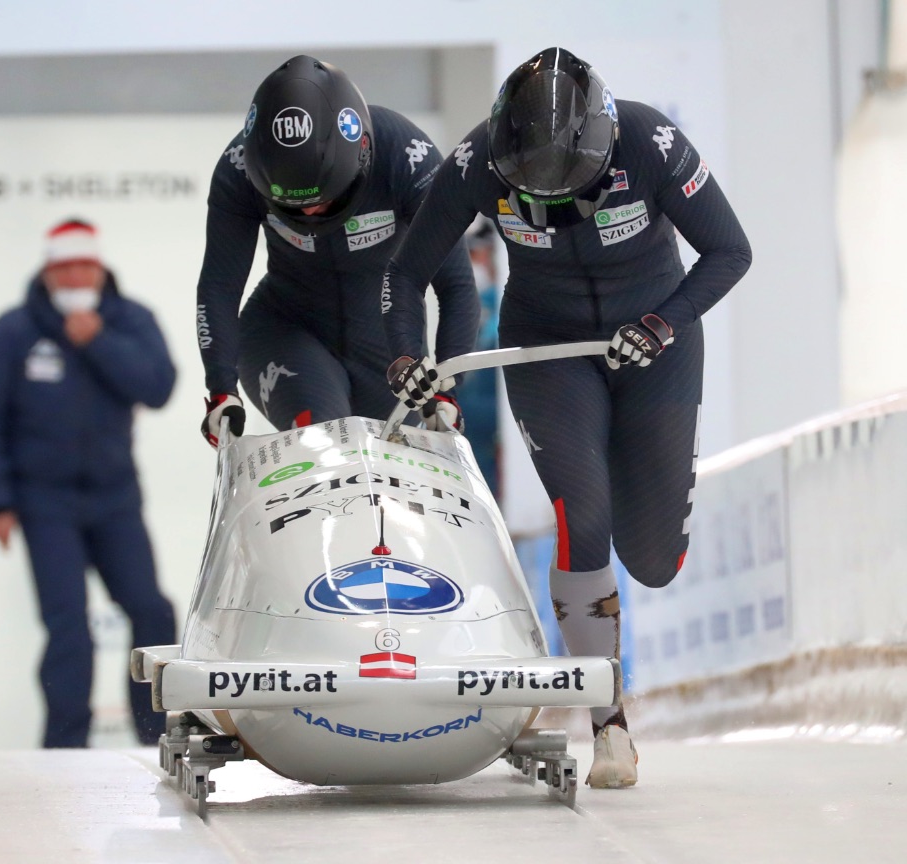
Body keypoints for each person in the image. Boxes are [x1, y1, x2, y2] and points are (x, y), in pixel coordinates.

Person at [381, 47, 752, 787]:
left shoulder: (650, 144)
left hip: (654, 342)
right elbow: (404, 271)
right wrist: (403, 357)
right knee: (582, 516)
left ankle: (640, 502)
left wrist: (665, 323)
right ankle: (608, 722)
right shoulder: (476, 163)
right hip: (547, 344)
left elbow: (729, 251)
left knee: (651, 560)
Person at [0, 218, 178, 748]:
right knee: (69, 628)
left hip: (115, 499)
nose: (75, 274)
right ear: (48, 271)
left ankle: (156, 737)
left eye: (84, 265)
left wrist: (99, 341)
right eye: (64, 267)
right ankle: (63, 749)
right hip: (44, 503)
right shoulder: (15, 330)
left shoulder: (128, 320)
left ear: (100, 268)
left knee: (151, 609)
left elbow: (158, 386)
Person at [195, 54, 479, 446]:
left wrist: (448, 390)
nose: (310, 212)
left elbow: (457, 285)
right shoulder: (238, 167)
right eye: (293, 206)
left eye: (323, 199)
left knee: (388, 484)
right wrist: (221, 387)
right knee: (325, 443)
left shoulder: (406, 156)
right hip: (284, 330)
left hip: (389, 349)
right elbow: (220, 285)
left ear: (360, 157)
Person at [455, 216, 502, 498]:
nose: (478, 263)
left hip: (486, 415)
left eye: (479, 255)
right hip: (479, 417)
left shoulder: (501, 312)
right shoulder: (485, 302)